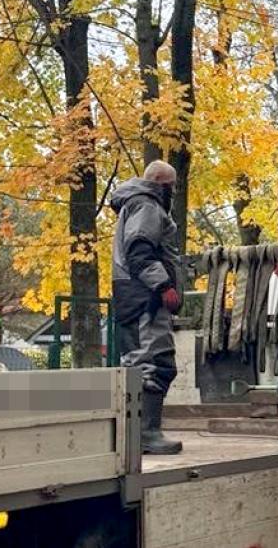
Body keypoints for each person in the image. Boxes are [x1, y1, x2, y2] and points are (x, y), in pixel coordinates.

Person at [111, 160, 184, 455]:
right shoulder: (148, 206)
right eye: (173, 186)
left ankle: (135, 434)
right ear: (163, 185)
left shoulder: (133, 204)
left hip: (132, 295)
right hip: (145, 299)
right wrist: (164, 286)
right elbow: (140, 250)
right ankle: (146, 434)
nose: (175, 192)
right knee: (154, 363)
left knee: (137, 363)